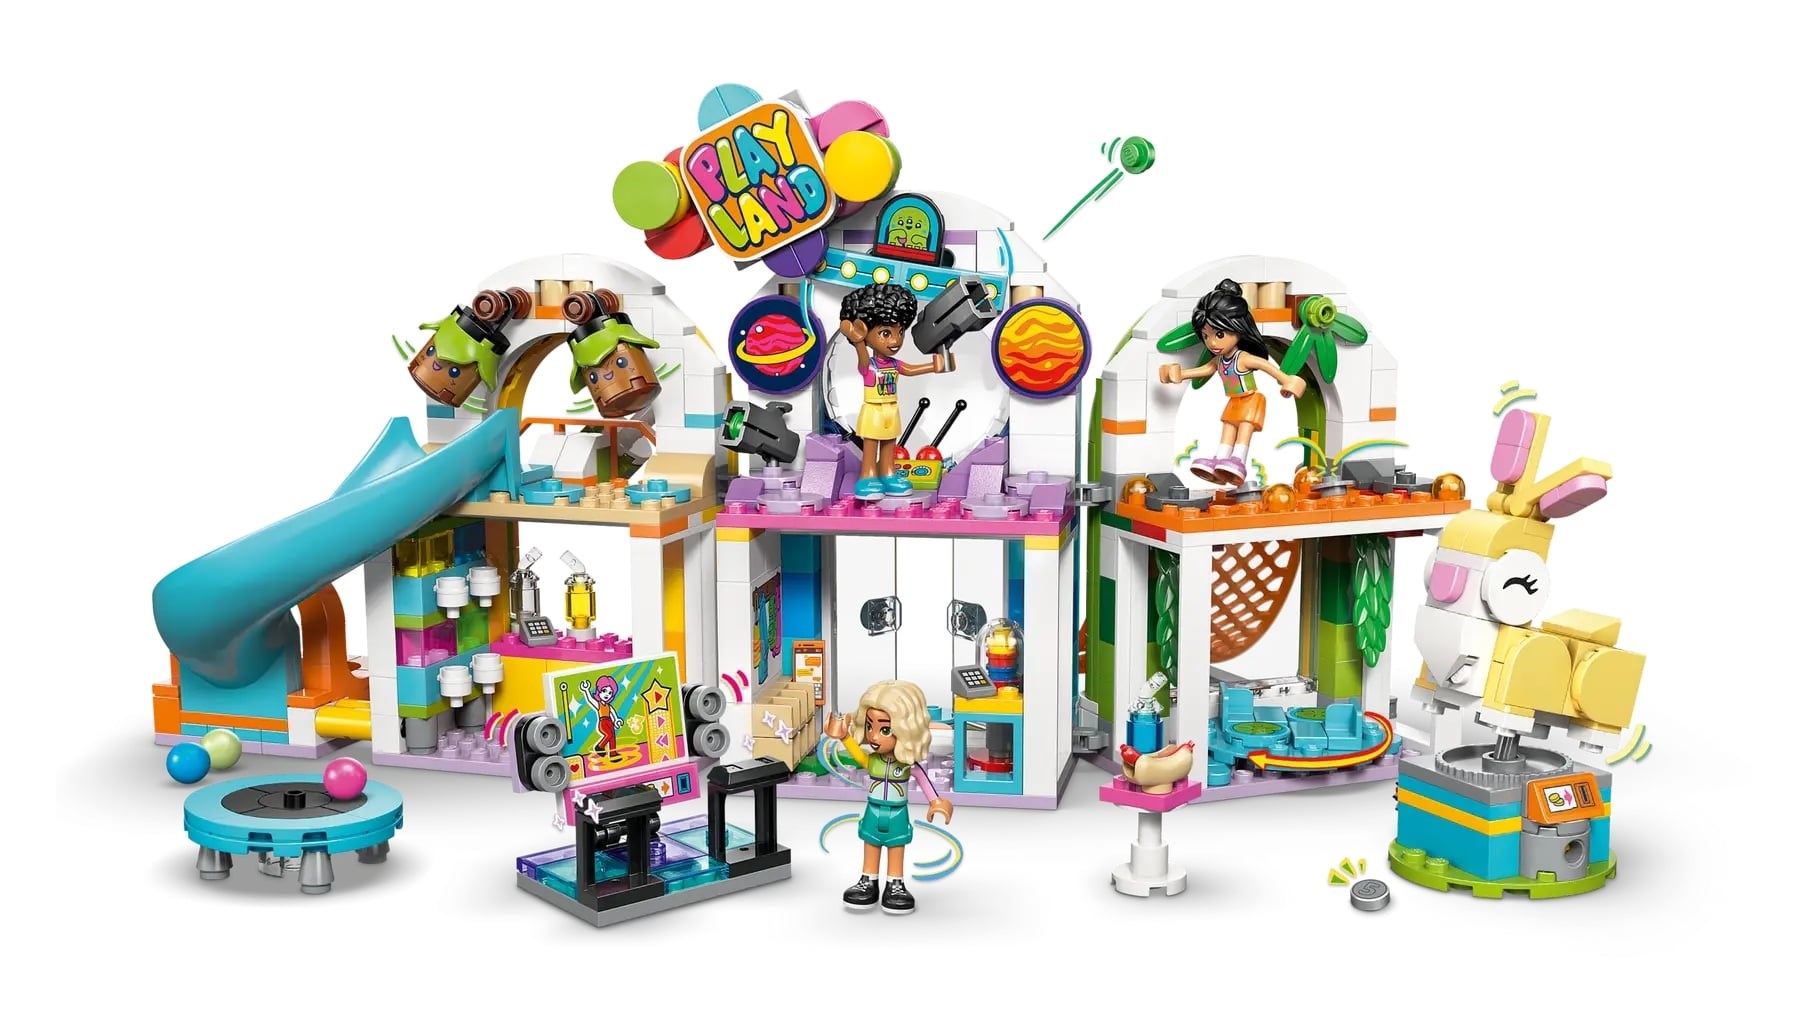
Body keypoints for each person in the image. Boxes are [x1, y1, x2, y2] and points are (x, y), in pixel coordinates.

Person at [1157, 279, 1306, 485]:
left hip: (1251, 400)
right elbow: (1205, 370)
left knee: (1244, 428)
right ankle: (1220, 459)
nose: (1212, 343)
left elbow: (1265, 366)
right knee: (1228, 427)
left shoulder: (1243, 358)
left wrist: (1286, 379)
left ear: (1238, 329)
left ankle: (1238, 460)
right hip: (1234, 400)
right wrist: (1180, 374)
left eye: (1219, 334)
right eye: (1206, 336)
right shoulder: (1219, 360)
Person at [823, 680, 952, 914]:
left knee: (896, 846)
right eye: (870, 726)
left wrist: (937, 802)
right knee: (871, 842)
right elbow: (859, 757)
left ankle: (895, 884)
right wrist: (844, 737)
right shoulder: (873, 761)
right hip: (873, 810)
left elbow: (924, 779)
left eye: (884, 730)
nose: (874, 736)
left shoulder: (906, 764)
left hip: (897, 812)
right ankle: (868, 880)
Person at [840, 283, 953, 498]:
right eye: (886, 333)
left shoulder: (893, 364)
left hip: (891, 409)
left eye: (900, 332)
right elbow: (862, 355)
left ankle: (888, 473)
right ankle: (867, 477)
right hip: (874, 409)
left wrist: (933, 366)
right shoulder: (869, 366)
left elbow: (909, 369)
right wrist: (858, 341)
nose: (895, 341)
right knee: (871, 445)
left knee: (889, 444)